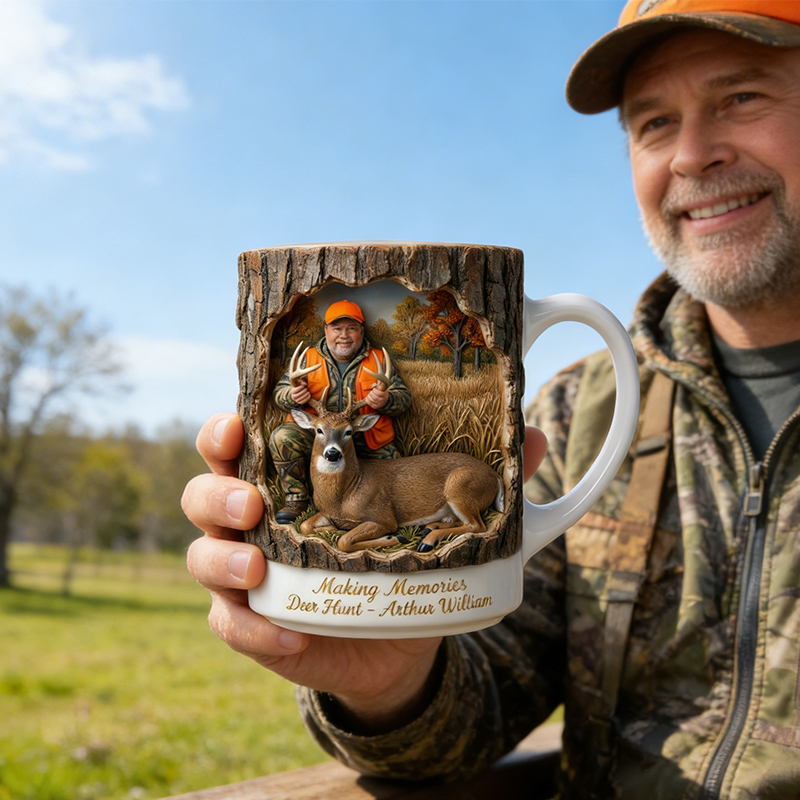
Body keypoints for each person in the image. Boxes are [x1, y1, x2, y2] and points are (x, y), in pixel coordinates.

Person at [182, 1, 800, 797]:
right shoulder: (585, 415)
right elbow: (484, 702)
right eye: (651, 122)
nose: (690, 154)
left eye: (740, 98)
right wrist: (385, 678)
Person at [268, 299, 411, 523]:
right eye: (337, 329)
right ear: (326, 331)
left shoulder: (379, 359)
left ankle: (391, 515)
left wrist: (386, 399)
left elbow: (403, 398)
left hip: (363, 434)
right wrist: (291, 396)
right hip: (319, 433)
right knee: (282, 438)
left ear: (361, 332)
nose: (344, 335)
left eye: (351, 329)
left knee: (392, 465)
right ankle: (297, 499)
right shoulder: (307, 359)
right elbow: (280, 393)